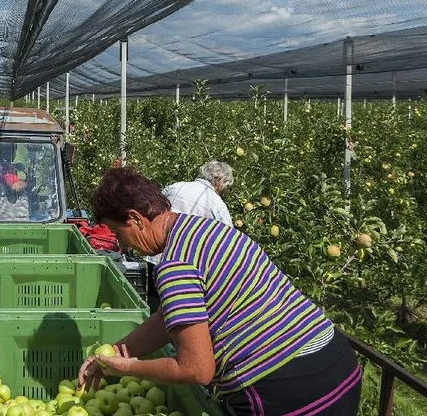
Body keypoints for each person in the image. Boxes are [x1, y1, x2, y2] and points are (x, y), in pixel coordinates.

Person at [79, 168, 359, 416]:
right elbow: (169, 319)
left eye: (119, 233)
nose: (123, 245)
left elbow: (196, 369)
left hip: (287, 388)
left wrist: (126, 368)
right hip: (335, 362)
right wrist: (116, 353)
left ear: (136, 218)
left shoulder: (175, 265)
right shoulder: (203, 229)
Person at [144, 161, 234, 310]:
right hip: (184, 264)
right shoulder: (217, 203)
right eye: (225, 185)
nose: (223, 190)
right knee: (176, 308)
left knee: (155, 303)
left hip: (157, 254)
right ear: (218, 180)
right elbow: (229, 238)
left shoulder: (176, 187)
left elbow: (153, 211)